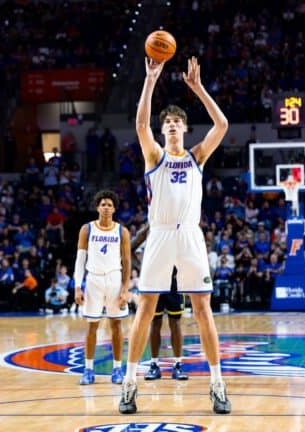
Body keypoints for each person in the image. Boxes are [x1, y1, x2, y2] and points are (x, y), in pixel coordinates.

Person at [120, 56, 231, 415]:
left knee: (202, 309)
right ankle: (129, 383)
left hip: (190, 237)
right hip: (160, 235)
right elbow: (140, 123)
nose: (169, 126)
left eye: (175, 122)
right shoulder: (154, 155)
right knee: (146, 310)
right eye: (166, 122)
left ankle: (217, 384)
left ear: (183, 129)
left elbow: (223, 124)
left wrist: (197, 89)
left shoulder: (197, 155)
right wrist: (150, 79)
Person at [74, 190, 132, 386]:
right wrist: (77, 286)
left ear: (114, 209)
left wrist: (125, 288)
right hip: (93, 280)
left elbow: (127, 261)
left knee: (116, 326)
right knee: (92, 326)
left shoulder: (121, 231)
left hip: (115, 279)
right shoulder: (87, 229)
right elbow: (80, 260)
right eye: (103, 204)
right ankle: (88, 369)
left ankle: (117, 368)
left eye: (110, 205)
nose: (106, 208)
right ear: (97, 207)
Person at [131, 225, 189, 382]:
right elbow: (130, 248)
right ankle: (154, 365)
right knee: (154, 323)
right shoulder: (150, 227)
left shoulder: (178, 226)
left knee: (175, 323)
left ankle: (178, 364)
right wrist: (142, 269)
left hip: (174, 282)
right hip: (154, 282)